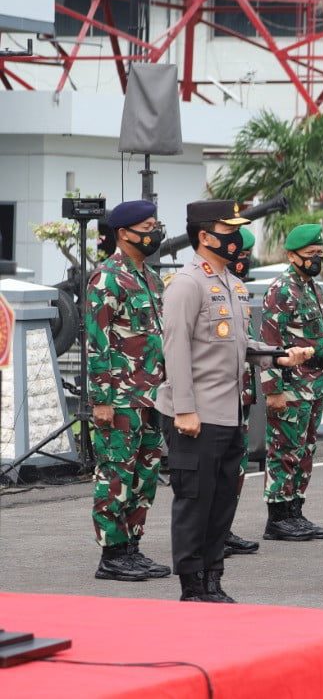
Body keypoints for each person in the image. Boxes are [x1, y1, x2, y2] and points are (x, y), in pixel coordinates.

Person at [154, 200, 309, 603]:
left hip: (229, 412)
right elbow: (176, 350)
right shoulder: (187, 284)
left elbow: (239, 345)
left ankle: (213, 580)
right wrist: (185, 408)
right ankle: (192, 587)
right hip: (197, 414)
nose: (236, 238)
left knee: (222, 502)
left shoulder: (231, 284)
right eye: (228, 230)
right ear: (204, 236)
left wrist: (279, 355)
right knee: (194, 502)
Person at [86, 199, 169, 582]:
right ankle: (112, 553)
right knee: (115, 474)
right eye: (147, 226)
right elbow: (96, 343)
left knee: (145, 474)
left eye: (156, 224)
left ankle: (132, 547)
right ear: (124, 233)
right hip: (120, 396)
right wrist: (101, 400)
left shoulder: (150, 278)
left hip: (152, 395)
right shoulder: (107, 277)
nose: (155, 232)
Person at [259, 223, 323, 542]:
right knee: (284, 450)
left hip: (313, 384)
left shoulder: (311, 286)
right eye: (310, 254)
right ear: (292, 255)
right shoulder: (282, 289)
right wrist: (273, 390)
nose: (316, 259)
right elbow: (269, 343)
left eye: (319, 253)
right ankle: (278, 516)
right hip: (290, 387)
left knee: (304, 450)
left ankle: (295, 511)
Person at [224, 228, 262, 558]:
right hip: (218, 394)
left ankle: (224, 529)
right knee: (215, 467)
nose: (245, 262)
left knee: (237, 466)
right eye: (242, 255)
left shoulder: (239, 290)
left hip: (241, 392)